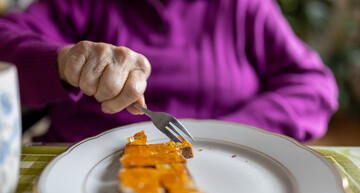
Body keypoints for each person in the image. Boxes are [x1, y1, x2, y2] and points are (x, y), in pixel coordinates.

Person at [0, 0, 338, 143]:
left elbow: (314, 85)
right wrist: (64, 61)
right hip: (79, 175)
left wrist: (230, 132)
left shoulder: (244, 7)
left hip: (220, 171)